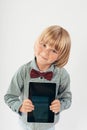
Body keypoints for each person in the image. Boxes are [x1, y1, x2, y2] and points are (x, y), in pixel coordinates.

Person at [4, 25, 72, 130]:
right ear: (37, 42)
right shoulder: (23, 71)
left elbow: (67, 99)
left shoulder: (62, 75)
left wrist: (60, 105)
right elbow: (9, 96)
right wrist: (20, 106)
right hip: (26, 125)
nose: (45, 52)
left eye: (54, 51)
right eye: (44, 45)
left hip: (49, 126)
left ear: (61, 56)